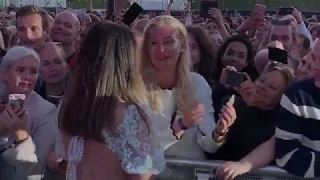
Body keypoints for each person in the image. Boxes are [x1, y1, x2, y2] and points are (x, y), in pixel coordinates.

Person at [56, 21, 165, 179]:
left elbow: (67, 160)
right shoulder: (130, 115)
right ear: (126, 61)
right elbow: (142, 176)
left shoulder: (68, 107)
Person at [0, 46, 56, 180]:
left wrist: (22, 136)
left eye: (33, 71)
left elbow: (37, 172)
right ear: (4, 73)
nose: (27, 76)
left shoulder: (47, 111)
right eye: (20, 70)